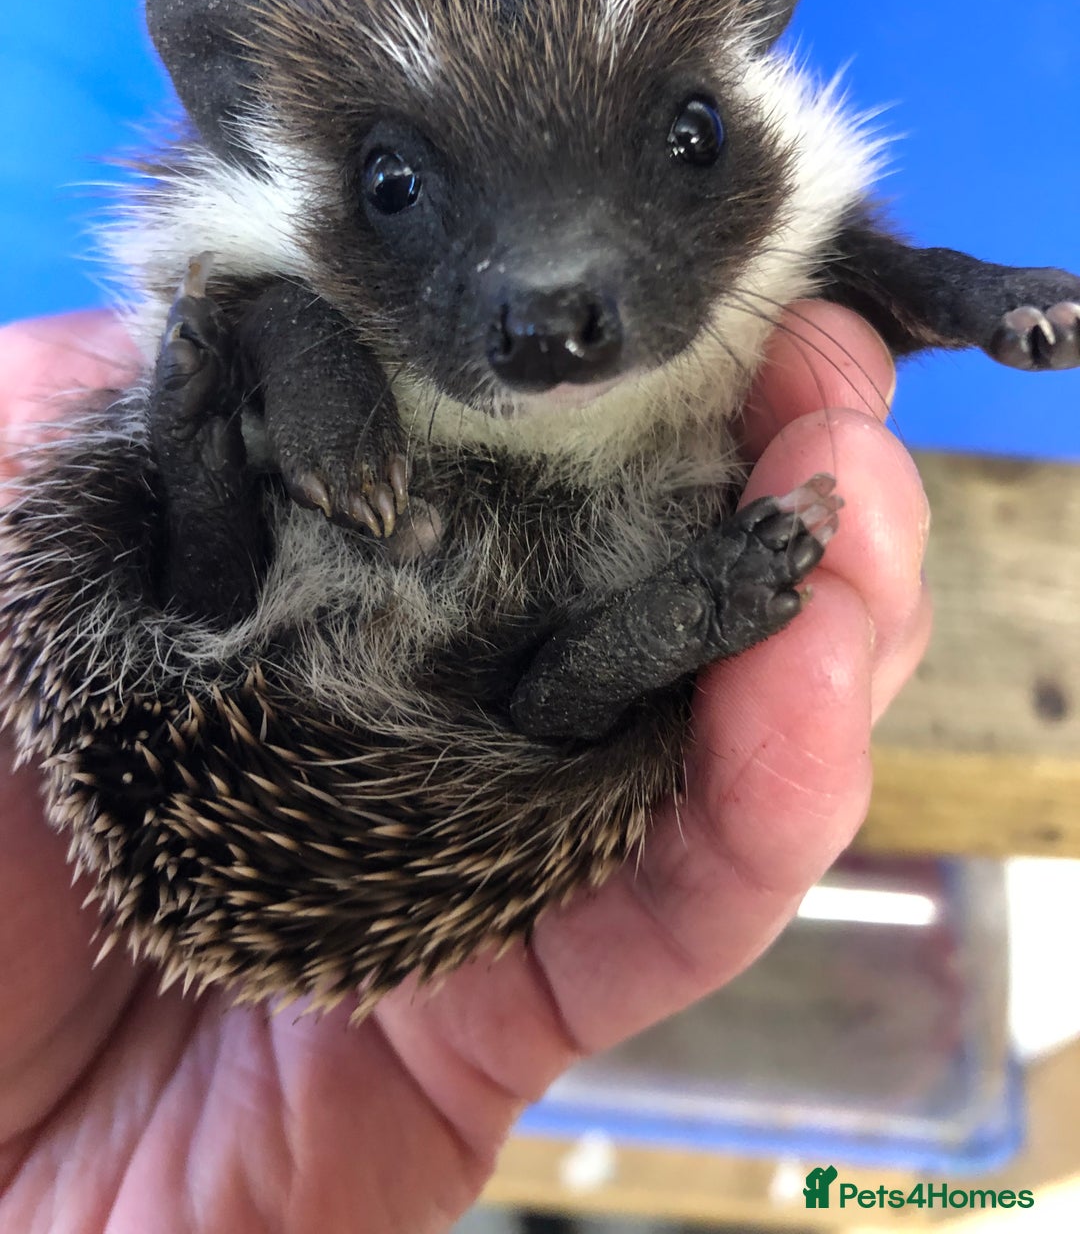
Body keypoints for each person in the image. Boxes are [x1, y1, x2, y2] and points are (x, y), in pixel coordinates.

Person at [0, 301, 931, 1233]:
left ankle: (210, 486)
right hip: (457, 722)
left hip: (234, 652)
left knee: (209, 627)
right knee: (540, 736)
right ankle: (681, 611)